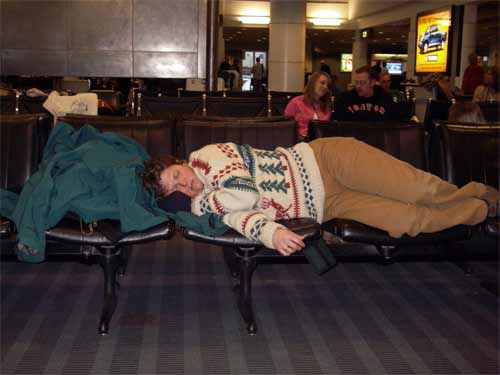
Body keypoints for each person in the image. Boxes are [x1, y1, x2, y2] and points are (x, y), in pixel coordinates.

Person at [142, 139, 498, 257]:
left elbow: (243, 195)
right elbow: (245, 218)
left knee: (422, 190)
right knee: (407, 222)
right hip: (329, 206)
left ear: (180, 162)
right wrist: (273, 234)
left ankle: (480, 192)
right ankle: (478, 211)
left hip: (328, 161)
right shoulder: (208, 203)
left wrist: (202, 201)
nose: (184, 186)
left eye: (177, 176)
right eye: (174, 191)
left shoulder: (207, 156)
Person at [284, 72, 332, 141]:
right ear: (313, 83)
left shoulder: (326, 106)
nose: (325, 87)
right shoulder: (296, 102)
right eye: (322, 83)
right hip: (299, 141)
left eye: (327, 85)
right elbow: (286, 126)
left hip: (321, 142)